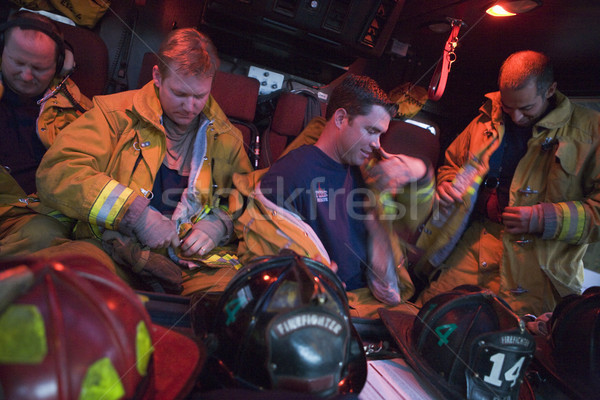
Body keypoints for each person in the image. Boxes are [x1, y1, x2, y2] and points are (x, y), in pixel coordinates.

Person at [36, 27, 253, 294]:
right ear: (157, 77)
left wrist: (219, 225)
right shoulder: (114, 115)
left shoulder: (227, 138)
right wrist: (135, 215)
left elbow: (247, 199)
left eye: (199, 96)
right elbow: (58, 171)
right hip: (113, 251)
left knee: (236, 298)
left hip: (191, 266)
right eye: (180, 94)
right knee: (76, 284)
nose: (190, 106)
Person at [415, 50, 600, 316]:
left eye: (526, 108)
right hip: (476, 244)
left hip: (540, 265)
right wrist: (447, 183)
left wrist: (543, 219)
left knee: (517, 339)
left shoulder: (591, 132)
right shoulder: (484, 121)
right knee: (430, 316)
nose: (515, 117)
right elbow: (452, 165)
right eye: (507, 106)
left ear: (550, 90)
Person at [233, 74, 435, 317]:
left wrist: (419, 171)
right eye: (371, 130)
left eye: (381, 134)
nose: (377, 144)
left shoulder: (368, 173)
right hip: (329, 305)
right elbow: (263, 240)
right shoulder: (295, 170)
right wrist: (309, 275)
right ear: (340, 118)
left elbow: (413, 221)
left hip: (376, 302)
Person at [0, 9, 92, 257]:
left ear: (59, 67)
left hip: (32, 217)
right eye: (18, 63)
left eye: (39, 68)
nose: (26, 75)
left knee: (45, 236)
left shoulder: (81, 112)